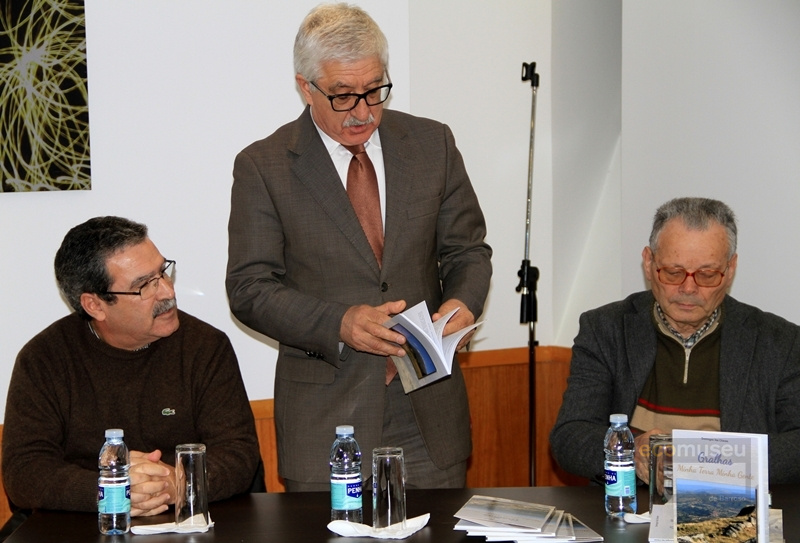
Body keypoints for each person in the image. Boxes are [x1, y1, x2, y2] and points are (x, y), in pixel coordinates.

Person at [226, 3, 491, 491]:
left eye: (374, 90)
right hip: (326, 417)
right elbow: (249, 288)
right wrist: (340, 323)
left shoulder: (432, 144)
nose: (363, 111)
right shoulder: (264, 167)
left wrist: (462, 303)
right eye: (344, 96)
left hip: (427, 407)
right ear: (306, 87)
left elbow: (468, 250)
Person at [2, 216, 261, 526]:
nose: (167, 292)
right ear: (95, 305)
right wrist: (112, 489)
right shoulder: (44, 359)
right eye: (144, 286)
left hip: (190, 524)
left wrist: (176, 482)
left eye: (162, 272)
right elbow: (24, 472)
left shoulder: (205, 347)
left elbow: (239, 453)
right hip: (86, 527)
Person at [550, 197, 800, 485]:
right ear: (648, 263)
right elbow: (570, 436)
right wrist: (632, 451)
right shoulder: (606, 329)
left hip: (733, 505)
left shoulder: (780, 342)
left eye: (707, 274)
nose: (688, 288)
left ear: (730, 269)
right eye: (673, 272)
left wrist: (708, 463)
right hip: (632, 503)